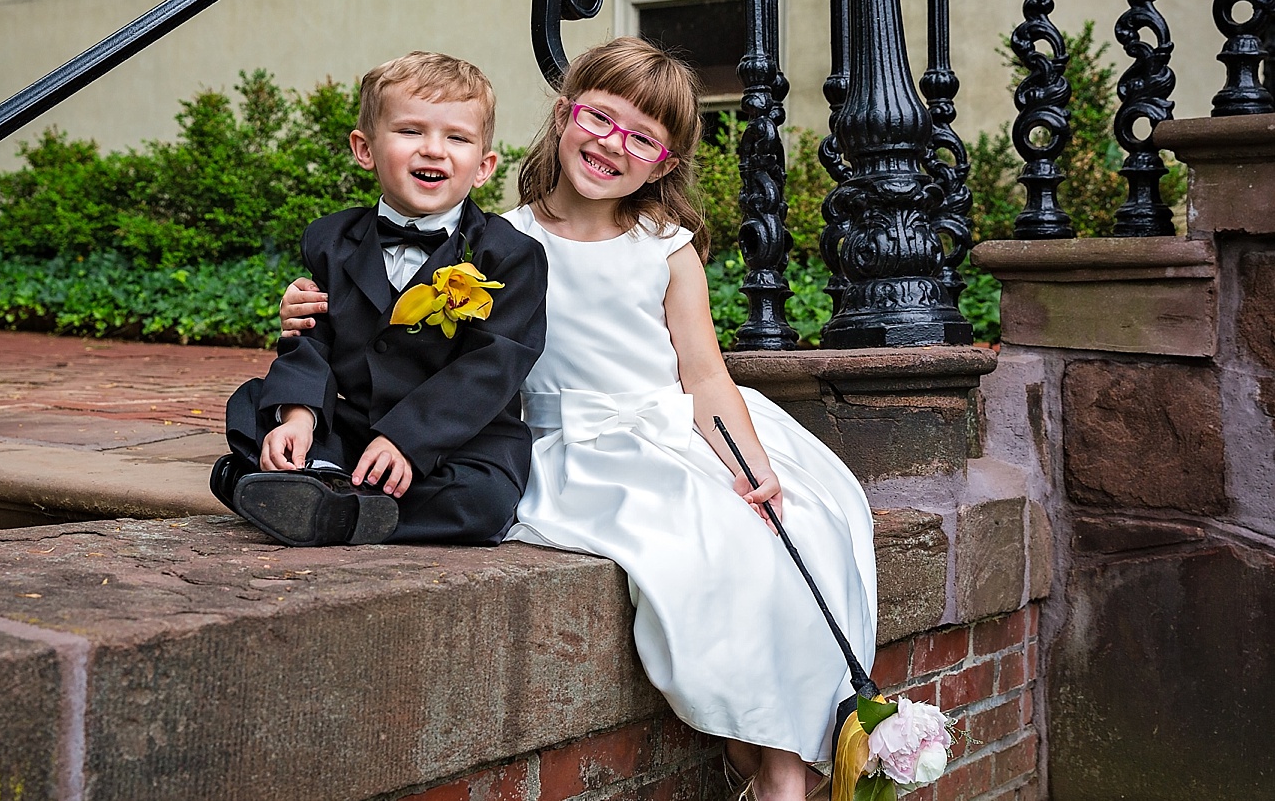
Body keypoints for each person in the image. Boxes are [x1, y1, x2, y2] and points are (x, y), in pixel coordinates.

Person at [280, 39, 877, 800]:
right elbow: (414, 344)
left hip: (673, 428)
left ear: (662, 164)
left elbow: (703, 374)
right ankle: (762, 765)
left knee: (799, 529)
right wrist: (310, 306)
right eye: (600, 118)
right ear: (565, 115)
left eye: (641, 138)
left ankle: (781, 770)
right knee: (705, 547)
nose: (610, 144)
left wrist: (750, 463)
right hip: (576, 446)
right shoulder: (492, 241)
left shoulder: (666, 247)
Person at [213, 51, 549, 548]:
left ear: (483, 166)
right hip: (355, 427)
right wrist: (299, 419)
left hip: (457, 438)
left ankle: (336, 510)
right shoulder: (331, 241)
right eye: (411, 131)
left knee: (482, 500)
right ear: (364, 148)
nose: (434, 150)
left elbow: (492, 369)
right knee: (251, 407)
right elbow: (312, 342)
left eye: (456, 137)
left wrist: (407, 440)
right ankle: (313, 474)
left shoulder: (510, 255)